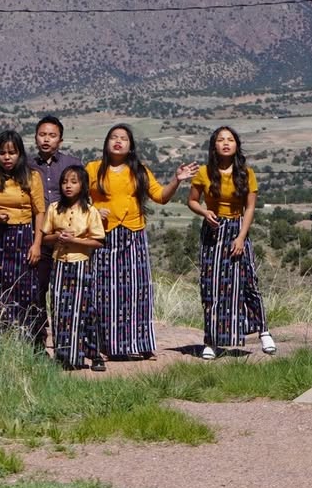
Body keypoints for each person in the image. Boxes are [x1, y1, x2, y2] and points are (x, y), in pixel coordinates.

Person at [86, 124, 198, 360]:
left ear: (130, 145)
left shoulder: (140, 170)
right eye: (114, 137)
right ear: (106, 142)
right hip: (104, 236)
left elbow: (160, 197)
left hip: (134, 235)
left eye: (124, 138)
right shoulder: (93, 168)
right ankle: (108, 346)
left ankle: (138, 343)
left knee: (137, 290)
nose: (118, 141)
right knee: (105, 291)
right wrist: (94, 210)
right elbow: (76, 198)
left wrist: (177, 180)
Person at [187, 126, 276, 360]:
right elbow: (192, 201)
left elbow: (250, 207)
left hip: (238, 228)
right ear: (213, 145)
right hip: (213, 231)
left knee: (247, 280)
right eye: (220, 140)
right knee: (212, 285)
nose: (225, 143)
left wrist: (240, 237)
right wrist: (205, 213)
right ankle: (212, 340)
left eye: (230, 139)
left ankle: (263, 331)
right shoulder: (204, 173)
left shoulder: (246, 173)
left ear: (237, 144)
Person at [0, 130, 46, 341]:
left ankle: (27, 337)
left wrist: (37, 245)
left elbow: (40, 211)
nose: (7, 157)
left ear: (20, 154)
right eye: (2, 153)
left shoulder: (32, 177)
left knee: (25, 288)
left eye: (12, 152)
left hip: (24, 235)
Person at [41, 165, 106, 371]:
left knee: (84, 310)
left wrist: (77, 241)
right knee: (60, 309)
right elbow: (45, 237)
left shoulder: (90, 211)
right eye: (64, 182)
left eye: (74, 182)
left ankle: (92, 355)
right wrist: (57, 237)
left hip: (81, 265)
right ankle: (64, 355)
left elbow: (98, 241)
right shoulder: (54, 208)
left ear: (83, 185)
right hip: (59, 264)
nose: (68, 186)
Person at [30, 115, 82, 348]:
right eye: (42, 134)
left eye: (52, 135)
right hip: (38, 237)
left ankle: (67, 339)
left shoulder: (72, 164)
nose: (46, 139)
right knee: (38, 289)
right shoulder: (27, 166)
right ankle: (39, 338)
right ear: (35, 137)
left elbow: (82, 197)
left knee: (65, 291)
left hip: (67, 239)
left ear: (60, 139)